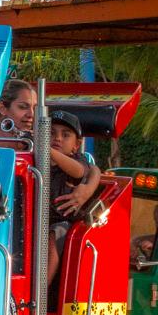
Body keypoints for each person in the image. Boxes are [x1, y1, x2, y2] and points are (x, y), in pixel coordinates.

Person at [45, 108, 103, 285]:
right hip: (38, 221)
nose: (57, 138)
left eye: (65, 134)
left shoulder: (78, 162)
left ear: (76, 145)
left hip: (62, 223)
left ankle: (41, 288)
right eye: (51, 132)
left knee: (54, 237)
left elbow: (79, 171)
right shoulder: (36, 160)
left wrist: (45, 148)